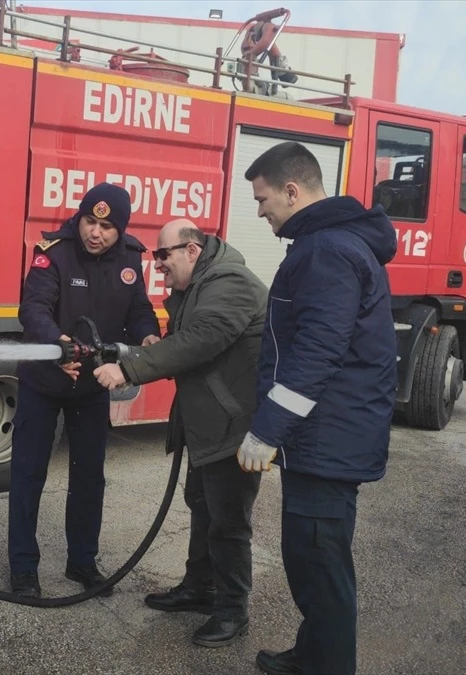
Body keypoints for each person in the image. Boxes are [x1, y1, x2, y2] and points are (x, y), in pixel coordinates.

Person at [234, 141, 398, 675]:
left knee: (320, 566)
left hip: (326, 440)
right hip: (326, 437)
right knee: (311, 562)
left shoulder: (326, 250)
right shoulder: (330, 242)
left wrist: (267, 431)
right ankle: (314, 655)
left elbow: (317, 353)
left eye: (263, 200)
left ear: (291, 190)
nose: (260, 212)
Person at [93, 218, 269, 647]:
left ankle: (231, 609)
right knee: (203, 504)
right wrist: (158, 348)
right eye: (155, 256)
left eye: (163, 255)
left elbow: (200, 341)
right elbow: (185, 340)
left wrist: (130, 368)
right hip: (209, 422)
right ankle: (200, 587)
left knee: (228, 520)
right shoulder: (197, 286)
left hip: (234, 426)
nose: (158, 265)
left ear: (192, 250)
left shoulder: (230, 282)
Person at [9, 182, 162, 599]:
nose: (95, 233)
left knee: (89, 478)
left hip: (92, 384)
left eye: (106, 227)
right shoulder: (54, 251)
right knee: (28, 474)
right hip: (43, 382)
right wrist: (56, 342)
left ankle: (82, 562)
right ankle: (23, 568)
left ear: (120, 230)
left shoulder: (131, 259)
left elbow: (139, 310)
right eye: (89, 221)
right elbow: (33, 308)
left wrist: (149, 337)